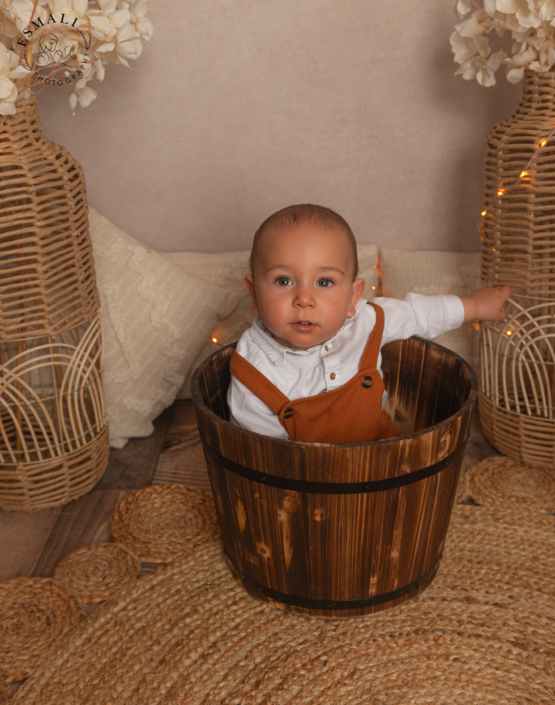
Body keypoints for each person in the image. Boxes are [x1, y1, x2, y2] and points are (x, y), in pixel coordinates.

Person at [227, 204, 511, 443]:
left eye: (324, 282)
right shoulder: (253, 368)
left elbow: (419, 313)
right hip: (305, 479)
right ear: (254, 293)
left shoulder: (366, 320)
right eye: (283, 281)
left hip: (379, 452)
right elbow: (262, 453)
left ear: (353, 296)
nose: (304, 299)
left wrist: (473, 306)